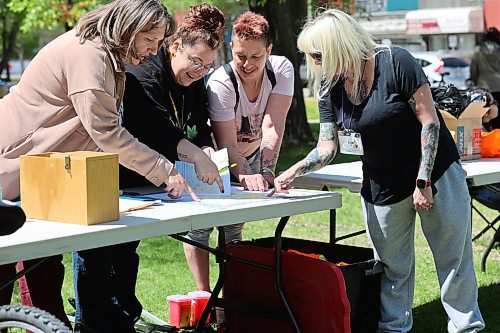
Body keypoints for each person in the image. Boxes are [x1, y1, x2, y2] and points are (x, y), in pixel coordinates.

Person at [274, 9, 484, 333]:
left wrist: (423, 180)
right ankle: (394, 329)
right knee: (392, 268)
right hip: (382, 184)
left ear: (338, 44)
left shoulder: (396, 62)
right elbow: (327, 147)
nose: (315, 62)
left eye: (318, 54)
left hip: (435, 174)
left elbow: (429, 123)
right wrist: (295, 170)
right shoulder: (330, 86)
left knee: (453, 262)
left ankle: (466, 328)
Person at [0, 0, 198, 332]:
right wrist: (165, 170)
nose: (152, 51)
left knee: (43, 263)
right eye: (149, 40)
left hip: (38, 172)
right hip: (10, 164)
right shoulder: (88, 55)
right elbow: (106, 132)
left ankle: (48, 325)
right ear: (130, 28)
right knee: (5, 268)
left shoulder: (104, 54)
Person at [120, 3, 226, 293]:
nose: (200, 72)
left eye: (207, 66)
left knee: (126, 261)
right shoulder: (143, 74)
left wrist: (205, 148)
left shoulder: (194, 79)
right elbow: (156, 131)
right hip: (125, 183)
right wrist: (192, 154)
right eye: (196, 62)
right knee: (111, 262)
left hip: (157, 189)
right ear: (176, 46)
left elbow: (198, 124)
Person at [201, 11, 293, 291]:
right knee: (201, 227)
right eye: (241, 55)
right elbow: (226, 145)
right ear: (231, 46)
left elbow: (272, 125)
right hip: (213, 155)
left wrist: (265, 171)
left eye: (256, 57)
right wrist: (245, 174)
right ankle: (204, 296)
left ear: (269, 50)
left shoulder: (282, 70)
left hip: (251, 151)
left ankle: (232, 291)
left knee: (234, 225)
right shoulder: (221, 82)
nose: (247, 64)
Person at [470, 27, 500, 130]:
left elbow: (473, 71)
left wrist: (474, 82)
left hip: (484, 88)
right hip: (499, 87)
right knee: (498, 117)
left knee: (484, 116)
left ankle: (486, 138)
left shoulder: (478, 51)